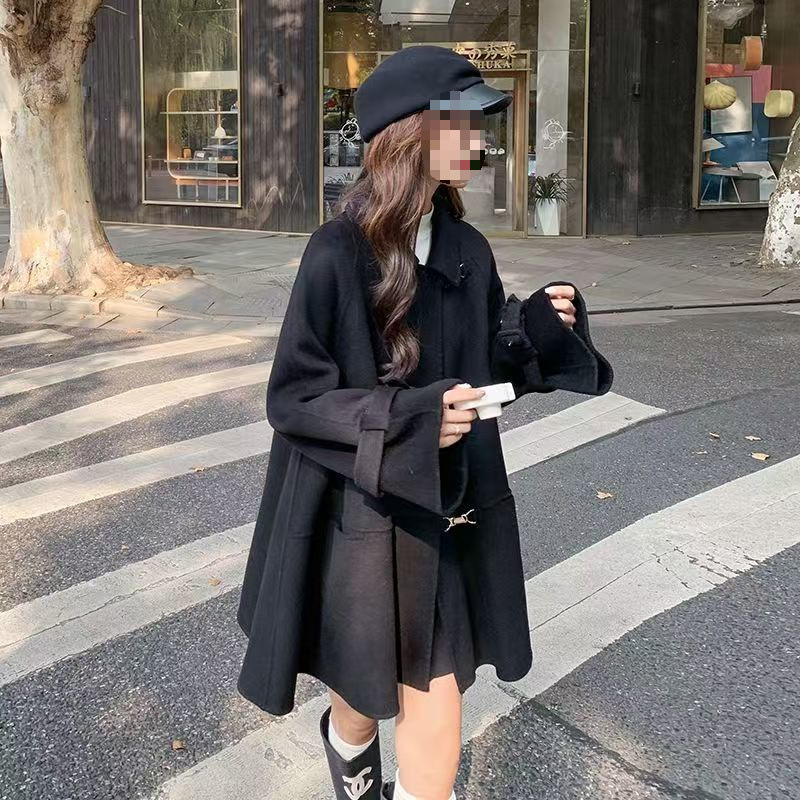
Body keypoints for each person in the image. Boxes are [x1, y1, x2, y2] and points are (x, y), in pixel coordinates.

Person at [236, 45, 613, 800]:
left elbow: (490, 362)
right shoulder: (336, 253)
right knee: (359, 686)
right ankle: (348, 750)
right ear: (410, 134)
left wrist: (538, 330)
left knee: (436, 687)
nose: (479, 139)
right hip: (361, 511)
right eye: (461, 124)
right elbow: (295, 397)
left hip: (448, 509)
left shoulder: (467, 249)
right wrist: (407, 420)